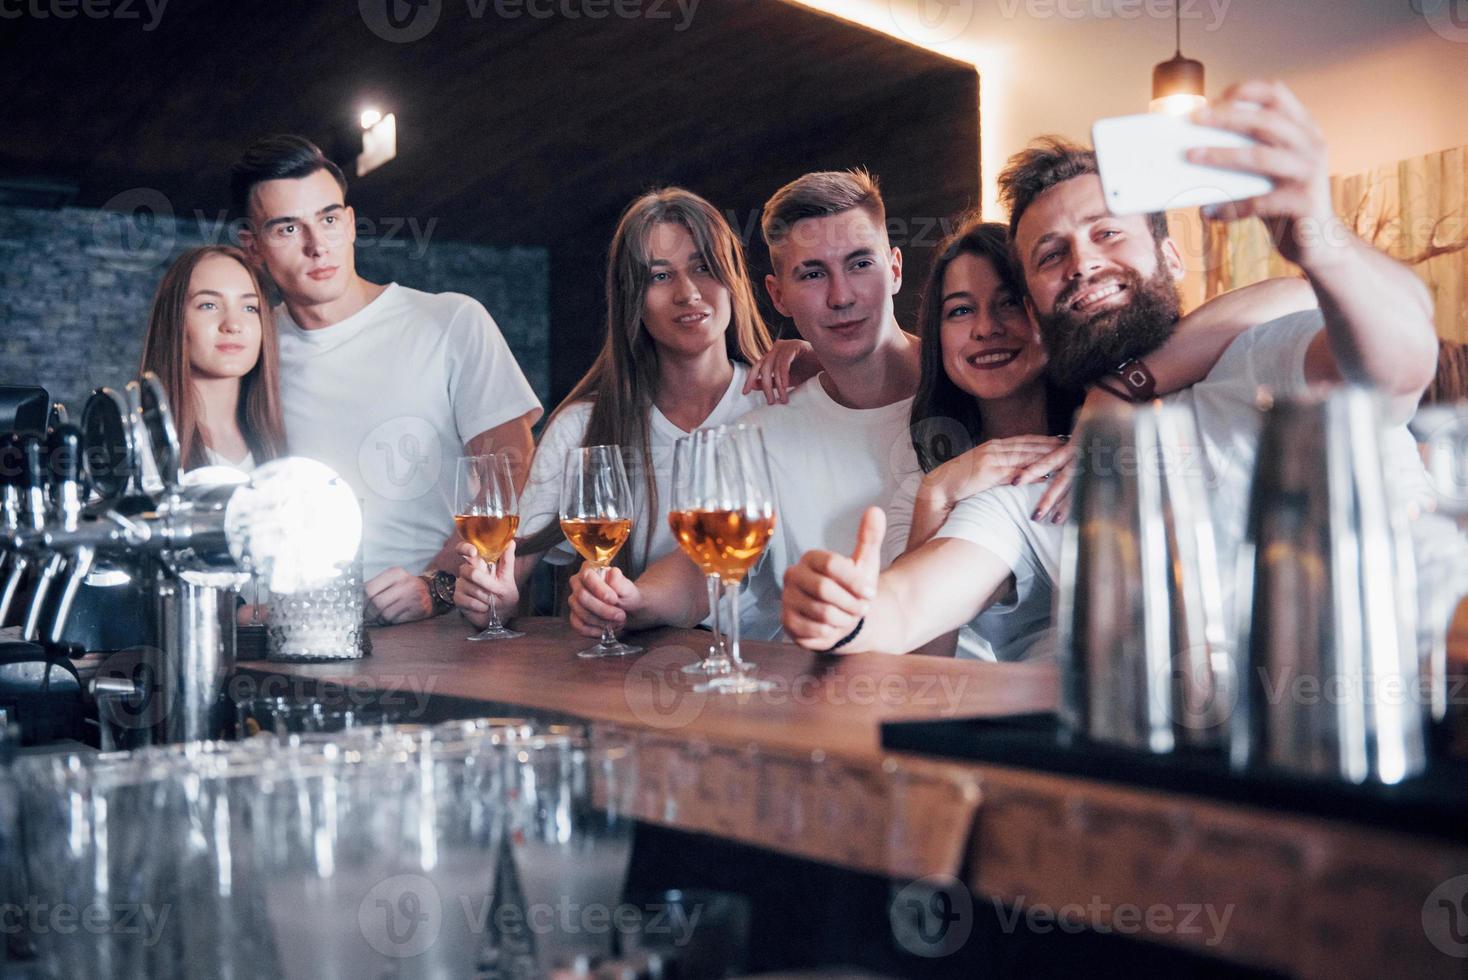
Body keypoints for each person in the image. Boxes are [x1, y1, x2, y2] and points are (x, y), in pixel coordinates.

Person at [781, 79, 1437, 655]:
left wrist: (1319, 240)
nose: (1082, 262)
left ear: (1171, 258)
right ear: (1038, 304)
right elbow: (904, 608)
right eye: (1050, 255)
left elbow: (1396, 370)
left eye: (1107, 232)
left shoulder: (1258, 358)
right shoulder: (1047, 478)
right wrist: (846, 613)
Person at [564, 169, 1038, 642]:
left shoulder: (986, 389)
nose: (841, 296)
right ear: (778, 295)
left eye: (859, 264)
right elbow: (698, 574)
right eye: (813, 274)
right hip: (826, 691)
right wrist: (632, 601)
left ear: (894, 268)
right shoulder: (762, 435)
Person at [874, 218, 1315, 660]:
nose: (986, 328)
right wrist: (936, 496)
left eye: (1009, 302)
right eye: (961, 310)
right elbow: (917, 657)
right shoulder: (929, 489)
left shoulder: (1129, 427)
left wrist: (1115, 391)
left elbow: (1301, 295)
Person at [451, 188, 812, 629]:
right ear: (631, 299)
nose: (688, 293)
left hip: (766, 675)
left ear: (733, 278)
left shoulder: (784, 400)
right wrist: (493, 598)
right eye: (659, 277)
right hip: (627, 677)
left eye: (703, 267)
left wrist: (822, 363)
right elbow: (510, 574)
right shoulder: (582, 427)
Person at [230, 136, 542, 626]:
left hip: (433, 634)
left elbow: (513, 470)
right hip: (296, 637)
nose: (318, 246)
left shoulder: (450, 321)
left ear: (351, 223)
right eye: (288, 228)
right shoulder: (251, 352)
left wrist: (436, 586)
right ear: (252, 247)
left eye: (329, 219)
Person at [140, 244, 288, 623]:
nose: (233, 323)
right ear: (175, 322)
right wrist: (239, 615)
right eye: (208, 305)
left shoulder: (279, 450)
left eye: (249, 307)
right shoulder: (140, 446)